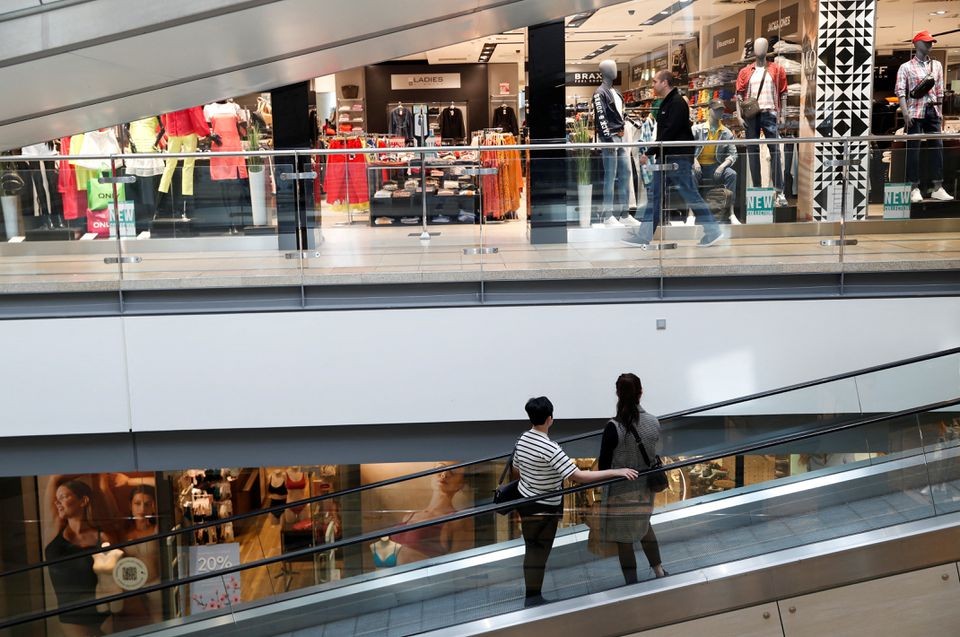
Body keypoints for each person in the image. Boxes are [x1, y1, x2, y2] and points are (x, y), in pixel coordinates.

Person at [513, 396, 639, 607]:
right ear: (550, 419)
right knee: (540, 552)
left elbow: (516, 468)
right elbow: (578, 476)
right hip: (545, 507)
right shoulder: (550, 448)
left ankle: (531, 595)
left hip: (525, 500)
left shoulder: (523, 439)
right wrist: (617, 471)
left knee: (531, 549)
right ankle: (533, 599)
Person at [624, 70, 723, 248]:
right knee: (656, 195)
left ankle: (713, 230)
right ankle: (644, 235)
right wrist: (655, 151)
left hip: (677, 159)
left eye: (655, 81)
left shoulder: (677, 103)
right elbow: (667, 132)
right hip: (667, 158)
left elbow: (670, 132)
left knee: (690, 194)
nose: (652, 85)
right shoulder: (667, 103)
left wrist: (650, 152)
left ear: (665, 83)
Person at [598, 374, 668, 585]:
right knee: (645, 527)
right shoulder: (653, 422)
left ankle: (632, 583)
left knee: (623, 539)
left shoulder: (613, 427)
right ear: (641, 393)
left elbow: (603, 466)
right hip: (645, 490)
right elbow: (655, 453)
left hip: (620, 491)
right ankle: (659, 571)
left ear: (617, 394)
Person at [45, 477, 115, 637]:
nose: (57, 502)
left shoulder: (102, 537)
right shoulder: (54, 530)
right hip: (73, 617)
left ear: (83, 501)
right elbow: (53, 479)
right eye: (57, 499)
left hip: (104, 612)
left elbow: (113, 577)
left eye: (63, 497)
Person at [394, 462, 474, 564]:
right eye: (440, 468)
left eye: (453, 471)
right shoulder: (409, 516)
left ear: (461, 484)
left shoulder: (458, 521)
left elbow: (458, 564)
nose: (444, 474)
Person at [693, 100, 739, 224]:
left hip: (715, 166)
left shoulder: (726, 132)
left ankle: (730, 212)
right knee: (691, 175)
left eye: (721, 110)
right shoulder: (697, 129)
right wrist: (694, 160)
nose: (720, 112)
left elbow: (733, 154)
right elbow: (686, 148)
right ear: (709, 110)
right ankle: (691, 214)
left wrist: (723, 165)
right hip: (698, 166)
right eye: (716, 109)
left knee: (732, 174)